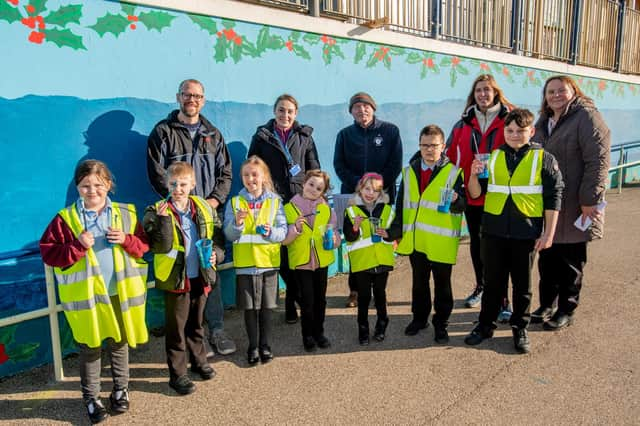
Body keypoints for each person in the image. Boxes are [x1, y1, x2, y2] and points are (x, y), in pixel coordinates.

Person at [40, 160, 149, 424]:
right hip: (86, 299)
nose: (92, 190)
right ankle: (92, 399)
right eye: (85, 185)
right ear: (77, 187)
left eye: (98, 185)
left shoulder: (126, 213)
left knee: (119, 343)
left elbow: (143, 246)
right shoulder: (66, 219)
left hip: (119, 294)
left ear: (109, 185)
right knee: (90, 348)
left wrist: (126, 239)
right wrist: (77, 246)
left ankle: (120, 390)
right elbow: (49, 253)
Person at [146, 79, 236, 356]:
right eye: (187, 95)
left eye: (197, 96)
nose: (192, 100)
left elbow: (226, 173)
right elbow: (157, 173)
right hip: (179, 217)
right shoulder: (163, 132)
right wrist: (183, 201)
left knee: (211, 271)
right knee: (185, 274)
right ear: (178, 97)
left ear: (203, 100)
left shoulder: (213, 133)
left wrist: (211, 202)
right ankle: (194, 337)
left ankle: (217, 330)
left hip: (208, 215)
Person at [463, 109, 564, 354]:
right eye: (510, 130)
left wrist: (548, 234)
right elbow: (475, 193)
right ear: (503, 132)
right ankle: (485, 325)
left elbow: (554, 197)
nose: (515, 135)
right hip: (493, 231)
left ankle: (520, 327)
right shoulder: (493, 157)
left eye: (521, 130)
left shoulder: (544, 159)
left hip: (525, 233)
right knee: (492, 283)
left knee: (523, 285)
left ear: (531, 131)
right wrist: (474, 175)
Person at [531, 75, 610, 329]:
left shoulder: (586, 117)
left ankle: (566, 309)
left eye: (561, 90)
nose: (555, 95)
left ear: (573, 91)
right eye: (550, 91)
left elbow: (597, 160)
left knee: (571, 261)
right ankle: (547, 304)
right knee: (547, 257)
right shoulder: (544, 121)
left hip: (576, 202)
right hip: (550, 204)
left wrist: (590, 199)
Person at [143, 162, 223, 395]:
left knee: (196, 323)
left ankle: (199, 362)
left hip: (201, 275)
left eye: (183, 184)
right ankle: (177, 375)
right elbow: (160, 245)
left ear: (193, 184)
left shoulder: (204, 207)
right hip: (176, 279)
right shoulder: (155, 210)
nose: (178, 188)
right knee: (176, 328)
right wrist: (163, 222)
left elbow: (216, 237)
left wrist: (216, 254)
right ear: (166, 184)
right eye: (173, 184)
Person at [248, 94, 321, 324]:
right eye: (281, 110)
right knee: (281, 255)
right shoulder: (262, 137)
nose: (285, 115)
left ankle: (292, 302)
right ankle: (294, 298)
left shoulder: (305, 136)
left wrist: (315, 196)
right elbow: (253, 167)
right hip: (273, 202)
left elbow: (314, 169)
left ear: (296, 113)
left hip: (299, 202)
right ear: (274, 111)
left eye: (290, 111)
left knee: (296, 253)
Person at [446, 74, 514, 321]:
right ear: (473, 95)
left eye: (487, 90)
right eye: (478, 91)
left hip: (502, 195)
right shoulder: (463, 123)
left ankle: (504, 299)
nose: (483, 94)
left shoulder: (509, 120)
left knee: (500, 249)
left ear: (496, 92)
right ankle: (481, 286)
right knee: (478, 245)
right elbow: (450, 155)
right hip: (473, 194)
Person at [392, 125, 465, 344]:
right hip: (417, 240)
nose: (429, 149)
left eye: (434, 145)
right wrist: (396, 232)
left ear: (443, 146)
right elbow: (401, 205)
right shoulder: (409, 171)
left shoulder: (454, 173)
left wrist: (456, 200)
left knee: (443, 285)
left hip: (441, 241)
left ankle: (441, 324)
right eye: (425, 145)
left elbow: (462, 206)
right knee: (419, 283)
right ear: (419, 146)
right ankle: (419, 319)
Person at [334, 92, 403, 308]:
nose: (361, 110)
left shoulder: (390, 131)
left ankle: (379, 288)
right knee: (356, 241)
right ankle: (355, 290)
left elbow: (395, 163)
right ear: (351, 112)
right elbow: (339, 165)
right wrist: (360, 185)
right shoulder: (344, 135)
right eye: (356, 107)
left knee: (381, 239)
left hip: (382, 195)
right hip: (353, 196)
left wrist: (375, 186)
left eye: (365, 106)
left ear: (373, 108)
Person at [224, 156, 288, 365]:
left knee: (267, 308)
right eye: (246, 175)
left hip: (268, 264)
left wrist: (271, 232)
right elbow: (229, 235)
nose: (250, 178)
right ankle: (253, 346)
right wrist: (238, 223)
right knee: (250, 309)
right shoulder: (234, 202)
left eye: (254, 174)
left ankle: (265, 345)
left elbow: (282, 232)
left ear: (264, 177)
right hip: (245, 265)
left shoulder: (274, 201)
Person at [282, 170, 341, 352]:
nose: (314, 190)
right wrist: (295, 229)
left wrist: (334, 241)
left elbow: (335, 232)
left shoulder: (326, 209)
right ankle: (307, 335)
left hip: (321, 261)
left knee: (320, 300)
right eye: (311, 185)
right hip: (302, 263)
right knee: (307, 301)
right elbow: (284, 240)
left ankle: (319, 333)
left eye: (319, 188)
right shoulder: (289, 208)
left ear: (323, 192)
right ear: (304, 183)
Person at [343, 173, 397, 345]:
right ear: (360, 189)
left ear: (380, 193)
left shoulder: (388, 210)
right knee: (364, 297)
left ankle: (382, 325)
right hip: (362, 263)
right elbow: (349, 237)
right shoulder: (351, 211)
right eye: (367, 188)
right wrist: (356, 227)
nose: (370, 193)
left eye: (375, 190)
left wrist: (388, 234)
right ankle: (363, 330)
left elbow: (396, 231)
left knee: (380, 295)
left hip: (382, 261)